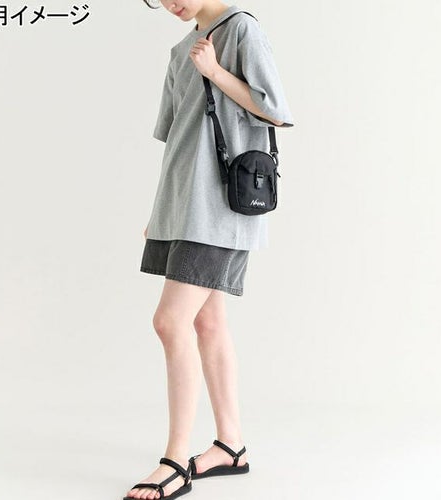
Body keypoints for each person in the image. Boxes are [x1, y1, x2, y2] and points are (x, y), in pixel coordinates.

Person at [123, 1, 294, 499]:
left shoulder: (241, 30)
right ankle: (231, 445)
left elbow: (276, 111)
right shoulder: (180, 50)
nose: (167, 3)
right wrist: (162, 211)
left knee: (169, 321)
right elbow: (178, 138)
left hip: (219, 208)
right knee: (207, 323)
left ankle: (175, 460)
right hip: (184, 206)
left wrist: (215, 72)